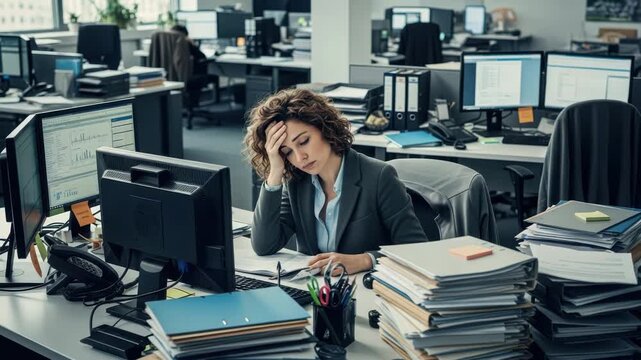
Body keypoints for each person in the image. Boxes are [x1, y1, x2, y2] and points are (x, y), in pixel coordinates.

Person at [244, 88, 428, 275]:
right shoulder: (296, 183)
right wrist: (275, 172)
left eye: (304, 141)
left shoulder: (379, 177)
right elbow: (263, 245)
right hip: (317, 290)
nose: (300, 157)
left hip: (366, 291)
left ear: (324, 128)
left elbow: (416, 252)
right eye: (287, 152)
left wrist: (366, 260)